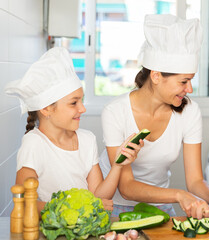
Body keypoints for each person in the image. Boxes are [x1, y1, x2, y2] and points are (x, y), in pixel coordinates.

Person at [99, 14, 209, 219]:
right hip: (114, 207)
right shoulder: (115, 112)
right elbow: (126, 187)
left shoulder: (189, 111)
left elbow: (195, 181)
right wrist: (179, 195)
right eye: (183, 81)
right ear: (156, 76)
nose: (189, 89)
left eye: (191, 81)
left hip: (160, 206)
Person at [5, 47, 142, 214]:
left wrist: (118, 165)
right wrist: (78, 208)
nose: (83, 108)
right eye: (74, 103)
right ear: (47, 109)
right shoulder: (34, 143)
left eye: (82, 101)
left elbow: (98, 196)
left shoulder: (87, 139)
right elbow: (25, 204)